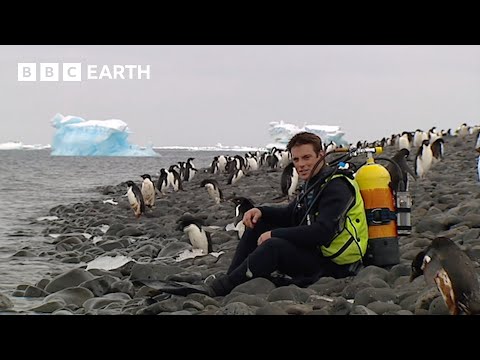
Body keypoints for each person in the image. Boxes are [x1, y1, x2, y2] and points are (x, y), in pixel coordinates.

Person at [206, 132, 369, 297]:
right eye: (296, 159)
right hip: (318, 252)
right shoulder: (315, 182)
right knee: (257, 223)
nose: (301, 165)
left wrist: (273, 234)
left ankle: (222, 288)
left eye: (307, 158)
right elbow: (291, 214)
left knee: (273, 246)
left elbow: (323, 232)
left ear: (321, 155)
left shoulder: (336, 186)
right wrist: (260, 211)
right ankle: (231, 278)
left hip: (336, 265)